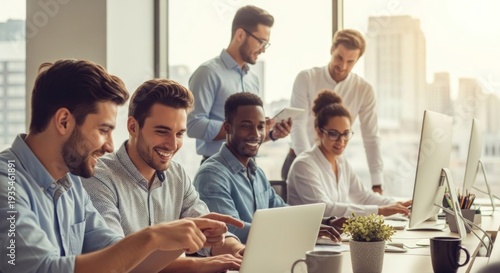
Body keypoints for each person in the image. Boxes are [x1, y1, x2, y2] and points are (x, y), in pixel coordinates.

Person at [0, 59, 241, 273]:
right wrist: (155, 236)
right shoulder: (6, 184)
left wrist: (185, 237)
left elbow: (122, 261)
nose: (109, 145)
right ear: (64, 121)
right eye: (103, 130)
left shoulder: (71, 184)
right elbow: (44, 268)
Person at [82, 78, 245, 273]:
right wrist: (197, 265)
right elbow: (116, 260)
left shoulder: (177, 175)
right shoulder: (98, 178)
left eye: (179, 134)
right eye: (162, 131)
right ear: (133, 127)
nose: (172, 144)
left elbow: (207, 231)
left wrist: (238, 251)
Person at [193, 92, 343, 244]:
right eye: (246, 126)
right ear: (227, 128)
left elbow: (280, 210)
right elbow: (231, 230)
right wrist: (304, 230)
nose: (255, 134)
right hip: (233, 263)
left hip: (266, 253)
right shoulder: (211, 175)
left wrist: (326, 222)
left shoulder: (257, 173)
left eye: (260, 127)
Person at [284, 29, 384, 194]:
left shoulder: (364, 90)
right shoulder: (306, 78)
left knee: (334, 215)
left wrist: (377, 183)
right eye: (339, 57)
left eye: (350, 61)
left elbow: (371, 137)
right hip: (299, 159)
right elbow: (298, 125)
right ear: (331, 50)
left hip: (333, 164)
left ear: (357, 60)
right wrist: (309, 163)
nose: (342, 66)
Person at [187, 5, 291, 163]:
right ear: (241, 34)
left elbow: (249, 138)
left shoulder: (253, 80)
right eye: (261, 42)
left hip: (248, 167)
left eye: (266, 44)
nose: (263, 50)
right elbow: (193, 125)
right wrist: (239, 128)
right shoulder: (208, 72)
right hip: (217, 166)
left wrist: (271, 133)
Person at [287, 90, 411, 217]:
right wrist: (381, 211)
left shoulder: (341, 161)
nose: (341, 141)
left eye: (346, 133)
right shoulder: (304, 165)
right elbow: (324, 209)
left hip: (336, 234)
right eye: (334, 134)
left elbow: (364, 197)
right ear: (319, 132)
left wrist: (399, 205)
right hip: (310, 234)